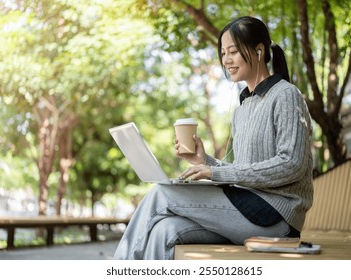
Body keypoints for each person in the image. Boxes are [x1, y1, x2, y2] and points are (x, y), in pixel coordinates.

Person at [114, 16, 313, 260]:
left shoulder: (285, 95)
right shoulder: (243, 107)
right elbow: (245, 172)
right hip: (247, 209)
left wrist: (217, 173)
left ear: (259, 50)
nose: (226, 60)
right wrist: (205, 162)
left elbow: (291, 164)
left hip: (276, 218)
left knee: (161, 193)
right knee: (163, 230)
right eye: (223, 53)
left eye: (234, 51)